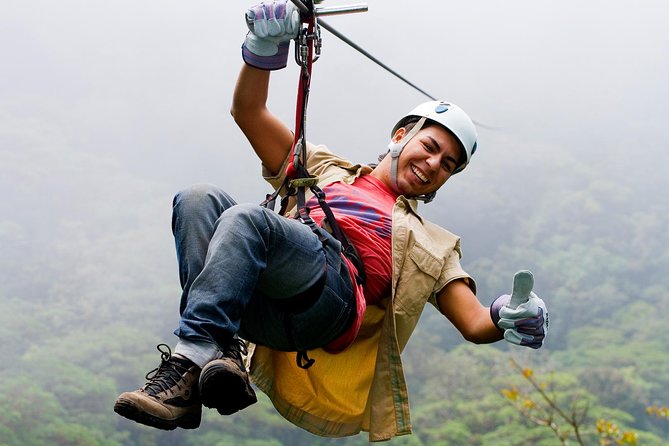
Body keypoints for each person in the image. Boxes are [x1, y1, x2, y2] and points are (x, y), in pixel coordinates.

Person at [114, 1, 549, 441]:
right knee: (197, 199)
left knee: (248, 221)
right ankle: (214, 355)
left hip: (330, 302)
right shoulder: (323, 169)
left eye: (448, 165)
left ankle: (188, 360)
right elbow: (249, 111)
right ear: (401, 136)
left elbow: (475, 322)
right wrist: (263, 46)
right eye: (431, 146)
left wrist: (509, 315)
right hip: (262, 300)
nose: (434, 163)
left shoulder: (432, 243)